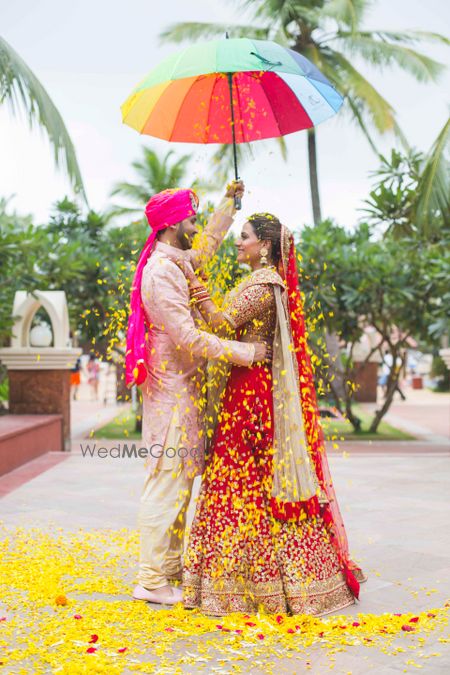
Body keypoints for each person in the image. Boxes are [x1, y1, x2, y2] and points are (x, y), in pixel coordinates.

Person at [179, 213, 365, 616]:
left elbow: (225, 324)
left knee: (245, 476)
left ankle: (263, 584)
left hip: (252, 394)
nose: (237, 243)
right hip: (244, 385)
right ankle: (237, 579)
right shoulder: (257, 281)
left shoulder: (265, 284)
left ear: (264, 245)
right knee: (239, 475)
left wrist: (198, 291)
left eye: (243, 237)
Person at [126, 183, 268, 606]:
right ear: (172, 225)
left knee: (180, 484)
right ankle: (150, 580)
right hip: (171, 395)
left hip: (184, 391)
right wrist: (246, 353)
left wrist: (230, 204)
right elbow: (187, 336)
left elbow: (203, 250)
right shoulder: (162, 271)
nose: (195, 226)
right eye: (191, 219)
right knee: (166, 486)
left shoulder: (176, 260)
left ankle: (166, 573)